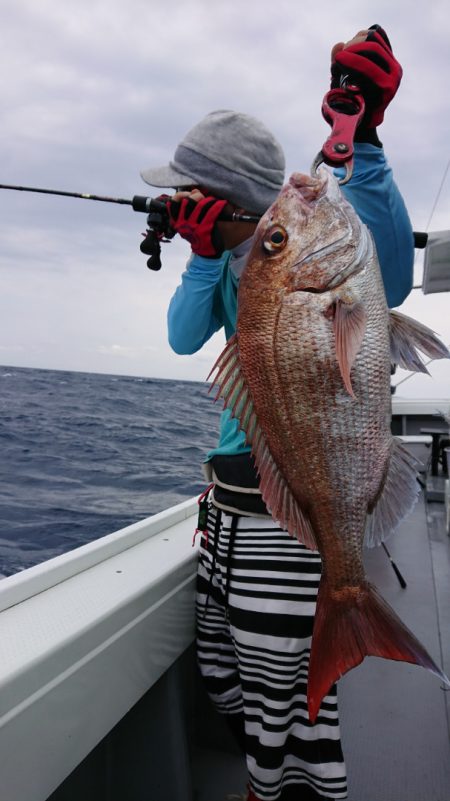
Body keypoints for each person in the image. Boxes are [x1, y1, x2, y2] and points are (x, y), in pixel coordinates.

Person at [140, 26, 414, 801]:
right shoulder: (242, 267)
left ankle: (279, 789)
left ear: (225, 196)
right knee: (223, 669)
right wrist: (205, 255)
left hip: (283, 520)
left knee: (290, 707)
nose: (177, 204)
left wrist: (365, 144)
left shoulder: (306, 256)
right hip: (227, 508)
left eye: (188, 192)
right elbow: (181, 336)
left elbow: (388, 270)